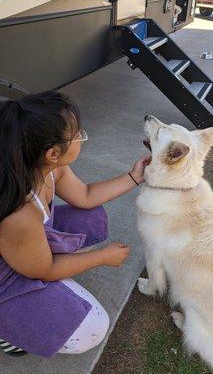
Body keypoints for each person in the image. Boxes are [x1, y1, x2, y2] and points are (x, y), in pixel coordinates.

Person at [0, 91, 150, 358]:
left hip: (25, 247)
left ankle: (34, 270)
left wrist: (134, 177)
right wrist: (102, 257)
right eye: (78, 133)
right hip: (6, 277)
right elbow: (45, 270)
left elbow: (85, 196)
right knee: (93, 328)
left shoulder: (48, 166)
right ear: (53, 152)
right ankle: (7, 329)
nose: (82, 135)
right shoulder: (20, 213)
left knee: (91, 218)